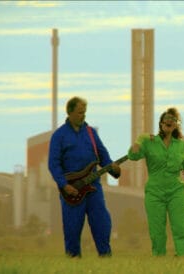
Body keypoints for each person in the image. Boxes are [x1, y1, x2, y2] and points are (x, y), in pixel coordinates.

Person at [48, 96, 121, 258]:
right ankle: (74, 262)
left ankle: (106, 258)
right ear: (70, 112)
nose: (83, 116)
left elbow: (103, 157)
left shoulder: (91, 132)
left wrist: (114, 170)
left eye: (85, 112)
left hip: (94, 187)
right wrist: (64, 185)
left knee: (102, 223)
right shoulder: (59, 136)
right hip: (72, 189)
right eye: (80, 112)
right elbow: (53, 164)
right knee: (72, 229)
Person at [127, 107, 184, 256]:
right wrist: (139, 141)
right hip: (155, 192)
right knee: (157, 231)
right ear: (161, 123)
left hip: (175, 190)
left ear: (176, 124)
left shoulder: (180, 144)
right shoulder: (150, 141)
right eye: (166, 119)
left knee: (181, 227)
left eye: (172, 119)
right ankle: (159, 261)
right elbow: (133, 156)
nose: (169, 122)